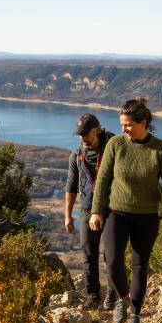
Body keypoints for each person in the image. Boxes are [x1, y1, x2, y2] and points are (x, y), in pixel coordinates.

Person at [89, 98, 162, 323]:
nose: (123, 129)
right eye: (122, 125)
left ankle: (136, 313)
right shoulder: (116, 145)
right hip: (116, 213)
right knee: (112, 261)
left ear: (143, 123)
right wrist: (96, 211)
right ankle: (122, 298)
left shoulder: (160, 149)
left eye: (128, 125)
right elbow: (103, 180)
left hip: (147, 216)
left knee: (139, 265)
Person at [65, 113, 116, 310]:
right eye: (80, 135)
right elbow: (71, 186)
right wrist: (68, 215)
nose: (83, 139)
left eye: (86, 135)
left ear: (98, 131)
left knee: (112, 256)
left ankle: (114, 295)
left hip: (113, 209)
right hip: (87, 209)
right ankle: (93, 298)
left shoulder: (115, 147)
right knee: (88, 255)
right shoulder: (77, 155)